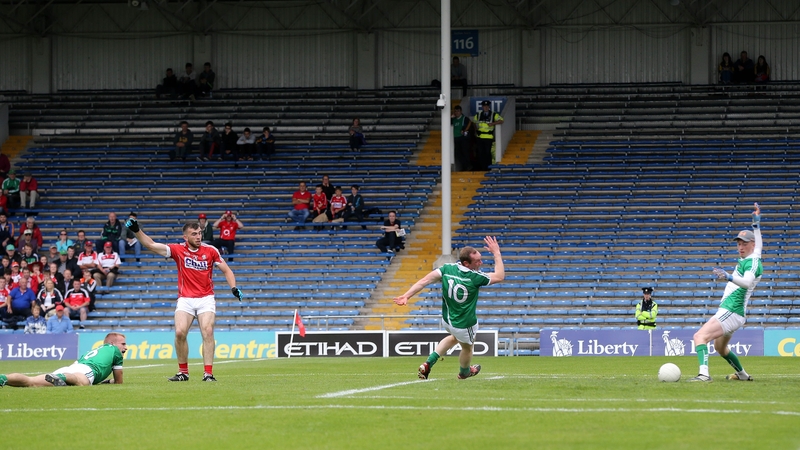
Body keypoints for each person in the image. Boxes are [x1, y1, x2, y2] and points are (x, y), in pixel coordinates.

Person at [125, 217, 243, 382]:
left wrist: (233, 287)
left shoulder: (211, 251)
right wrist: (137, 230)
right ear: (185, 237)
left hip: (206, 298)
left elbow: (227, 270)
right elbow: (151, 245)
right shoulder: (177, 250)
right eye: (194, 234)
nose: (198, 236)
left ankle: (208, 374)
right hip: (185, 299)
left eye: (200, 233)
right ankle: (183, 373)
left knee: (208, 332)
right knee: (180, 333)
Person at [394, 236, 505, 380]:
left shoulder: (447, 268)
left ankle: (428, 363)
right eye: (477, 261)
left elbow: (424, 281)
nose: (481, 262)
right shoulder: (475, 277)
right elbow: (500, 276)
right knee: (467, 348)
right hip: (465, 324)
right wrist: (496, 253)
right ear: (466, 263)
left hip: (448, 320)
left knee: (454, 338)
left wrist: (406, 296)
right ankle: (464, 372)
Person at [689, 203, 762, 383]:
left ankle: (704, 375)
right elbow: (759, 244)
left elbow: (746, 283)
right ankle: (743, 375)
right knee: (720, 348)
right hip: (735, 312)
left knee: (700, 336)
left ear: (751, 245)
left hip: (732, 309)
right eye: (738, 243)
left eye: (744, 243)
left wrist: (729, 277)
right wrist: (756, 224)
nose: (740, 247)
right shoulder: (755, 255)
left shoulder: (751, 263)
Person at [0, 332, 126, 387]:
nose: (125, 347)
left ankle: (4, 378)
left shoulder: (95, 351)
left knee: (32, 382)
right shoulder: (115, 351)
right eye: (123, 344)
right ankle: (65, 378)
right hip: (85, 371)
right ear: (112, 343)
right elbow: (119, 382)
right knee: (80, 382)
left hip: (71, 367)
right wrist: (111, 381)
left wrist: (106, 381)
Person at [473, 100, 504, 171]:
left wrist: (493, 123)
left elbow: (501, 120)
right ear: (482, 107)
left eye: (487, 106)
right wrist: (475, 130)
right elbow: (474, 122)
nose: (486, 107)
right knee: (480, 153)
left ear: (489, 107)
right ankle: (482, 168)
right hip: (479, 137)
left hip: (488, 137)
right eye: (484, 106)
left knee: (487, 153)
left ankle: (488, 168)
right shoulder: (478, 114)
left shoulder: (493, 114)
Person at [451, 105, 474, 171]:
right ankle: (465, 166)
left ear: (461, 111)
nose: (456, 113)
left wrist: (464, 130)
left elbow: (469, 124)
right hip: (455, 138)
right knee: (457, 153)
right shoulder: (453, 119)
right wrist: (450, 117)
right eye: (455, 111)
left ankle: (468, 166)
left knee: (465, 152)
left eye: (458, 111)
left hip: (463, 138)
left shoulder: (465, 118)